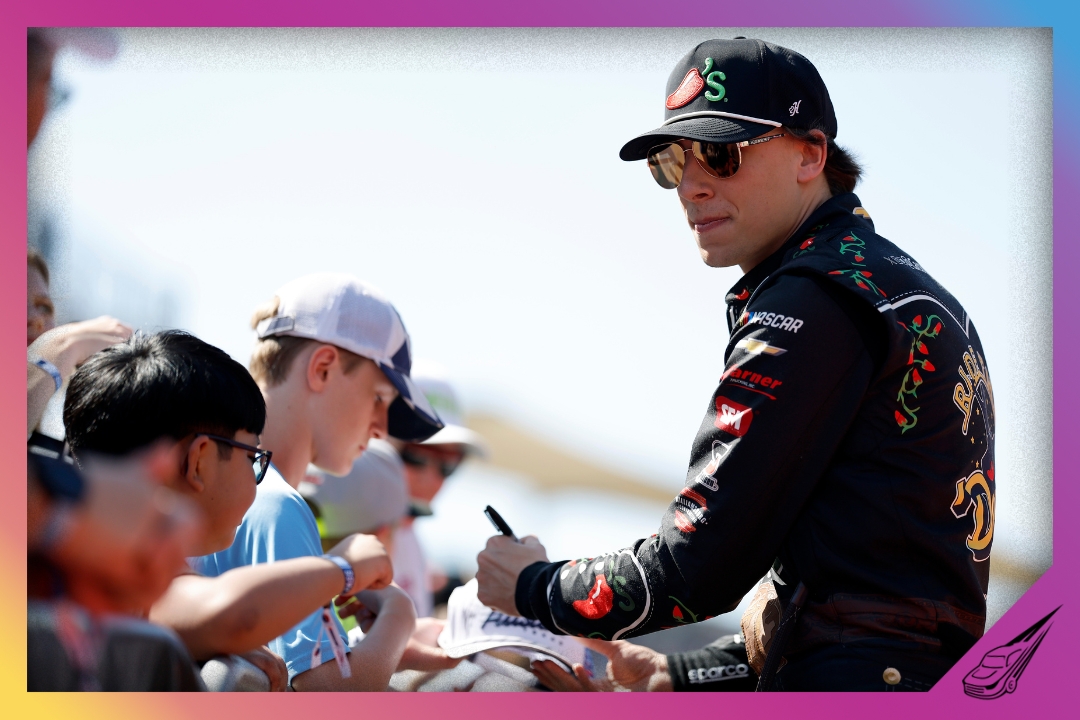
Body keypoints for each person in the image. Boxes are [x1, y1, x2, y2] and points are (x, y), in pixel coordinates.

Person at [477, 37, 995, 692]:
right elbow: (864, 586)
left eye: (721, 154)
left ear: (811, 154)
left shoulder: (811, 299)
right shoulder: (909, 291)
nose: (691, 185)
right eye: (671, 161)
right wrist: (680, 672)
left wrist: (533, 586)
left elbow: (698, 565)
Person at [62, 330, 407, 690]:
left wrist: (214, 635)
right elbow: (232, 616)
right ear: (200, 460)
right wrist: (347, 570)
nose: (258, 475)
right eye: (253, 457)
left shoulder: (75, 535)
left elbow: (208, 612)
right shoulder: (109, 563)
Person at [195, 273, 444, 691]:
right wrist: (399, 617)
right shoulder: (275, 503)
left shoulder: (225, 485)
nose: (382, 427)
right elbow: (328, 696)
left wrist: (381, 646)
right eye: (379, 398)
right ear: (323, 368)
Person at [304, 439, 463, 672]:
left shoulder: (281, 575)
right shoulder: (354, 596)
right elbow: (332, 685)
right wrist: (397, 636)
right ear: (382, 535)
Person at [389, 360, 488, 617]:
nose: (435, 480)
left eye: (450, 465)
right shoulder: (322, 525)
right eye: (418, 457)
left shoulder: (412, 544)